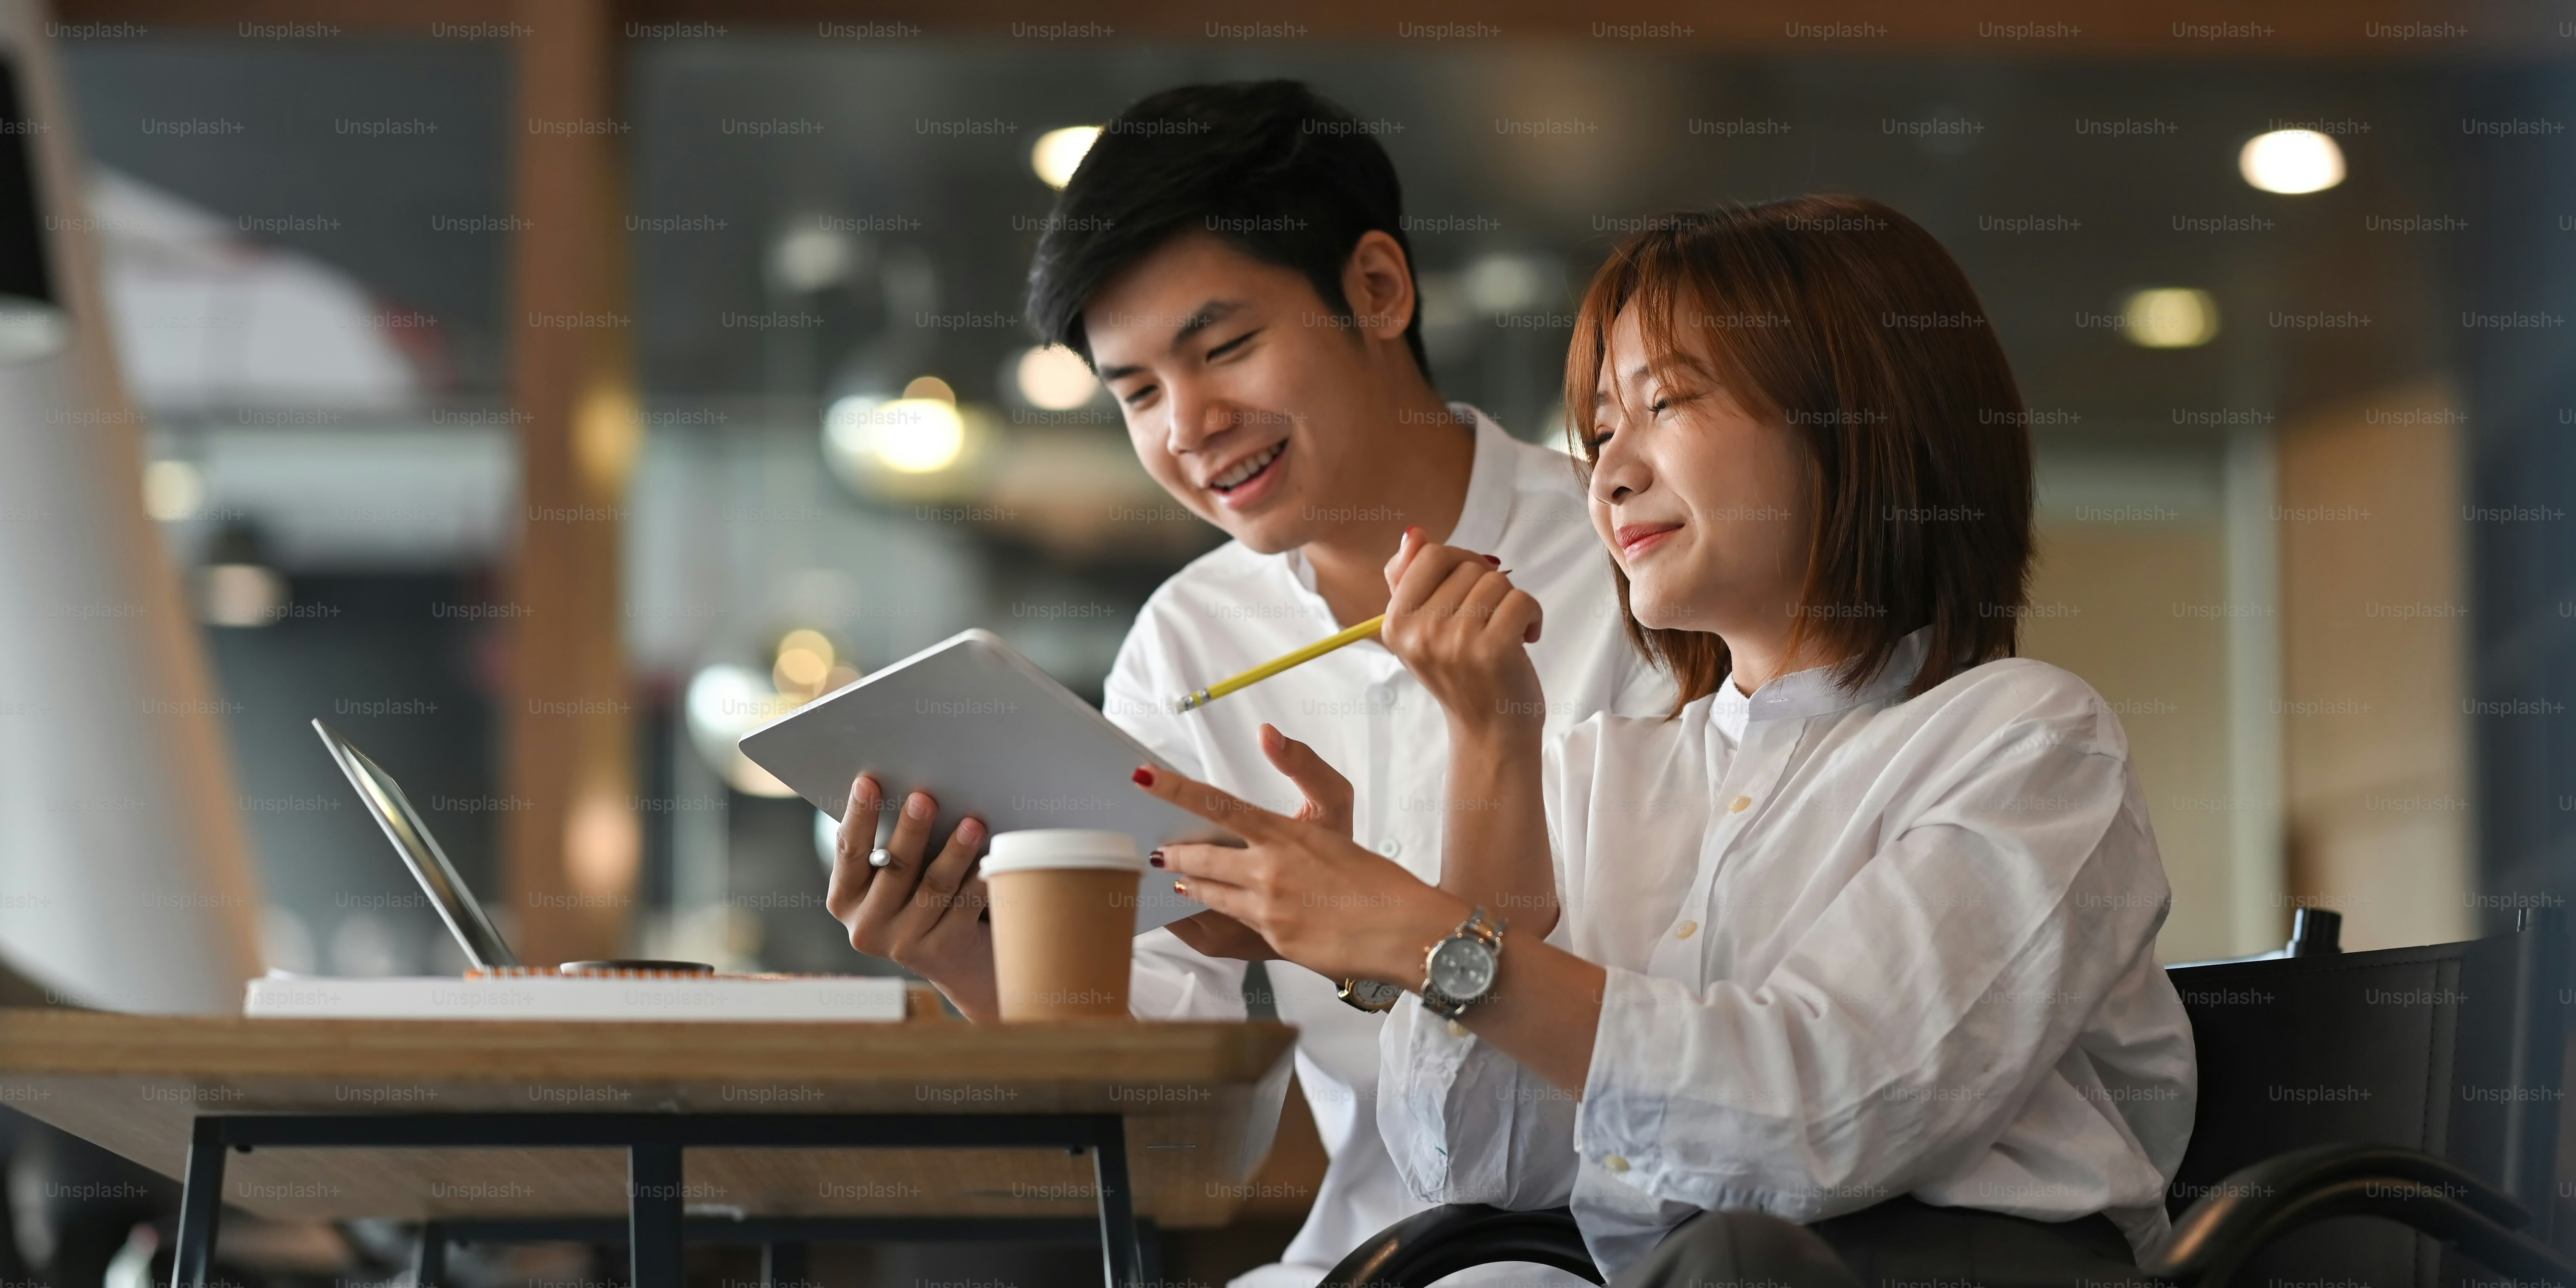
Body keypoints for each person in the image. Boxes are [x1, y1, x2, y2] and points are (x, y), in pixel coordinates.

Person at [1121, 196, 2198, 1288]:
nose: (1611, 472)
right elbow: (1480, 1169)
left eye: (1666, 403)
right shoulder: (1596, 773)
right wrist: (1490, 746)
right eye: (1597, 433)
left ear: (1858, 414)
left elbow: (1818, 1115)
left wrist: (1412, 934)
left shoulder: (2028, 742)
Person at [821, 80, 1670, 1288]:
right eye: (1138, 394)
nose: (1191, 424)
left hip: (1639, 1247)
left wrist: (1380, 932)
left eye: (1224, 348)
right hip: (1372, 1254)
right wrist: (961, 955)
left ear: (1378, 289)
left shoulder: (1633, 562)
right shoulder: (1188, 642)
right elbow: (1168, 1107)